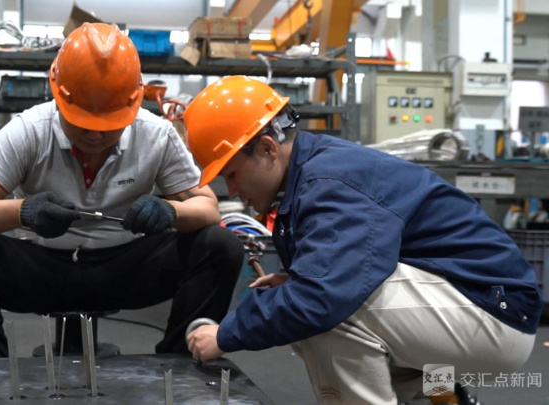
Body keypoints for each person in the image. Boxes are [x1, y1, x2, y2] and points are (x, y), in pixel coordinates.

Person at [184, 76, 544, 404]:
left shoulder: (328, 182)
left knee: (329, 312)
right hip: (480, 304)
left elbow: (323, 297)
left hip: (494, 313)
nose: (232, 190)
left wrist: (225, 334)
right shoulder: (317, 170)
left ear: (267, 148)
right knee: (316, 304)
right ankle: (440, 398)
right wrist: (298, 283)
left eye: (232, 174)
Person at [0, 23, 243, 359]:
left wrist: (170, 212)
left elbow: (208, 209)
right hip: (40, 270)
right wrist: (22, 212)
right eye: (83, 122)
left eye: (109, 124)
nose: (95, 136)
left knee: (220, 246)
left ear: (132, 105)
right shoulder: (30, 130)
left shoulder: (156, 135)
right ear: (59, 97)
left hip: (126, 271)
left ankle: (176, 368)